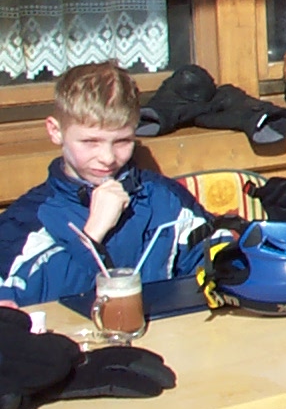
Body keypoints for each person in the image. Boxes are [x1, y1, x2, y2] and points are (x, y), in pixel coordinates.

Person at [0, 62, 216, 306]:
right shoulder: (27, 220)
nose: (108, 157)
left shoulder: (164, 199)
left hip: (163, 328)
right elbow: (36, 306)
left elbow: (214, 261)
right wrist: (92, 235)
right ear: (56, 131)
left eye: (122, 141)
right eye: (90, 142)